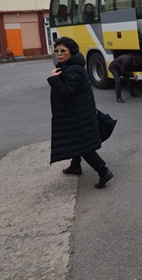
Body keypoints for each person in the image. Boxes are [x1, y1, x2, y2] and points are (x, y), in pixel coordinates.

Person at [48, 36, 113, 189]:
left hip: (78, 115)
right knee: (76, 140)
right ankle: (75, 166)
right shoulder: (68, 67)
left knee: (84, 146)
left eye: (63, 51)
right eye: (56, 50)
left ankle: (103, 172)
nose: (59, 53)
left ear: (71, 52)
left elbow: (67, 91)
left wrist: (53, 79)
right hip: (76, 113)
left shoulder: (74, 70)